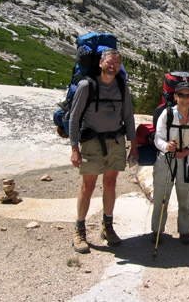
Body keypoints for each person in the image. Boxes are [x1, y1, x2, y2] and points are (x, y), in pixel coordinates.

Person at [69, 48, 139, 254]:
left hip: (116, 141)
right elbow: (74, 118)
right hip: (92, 142)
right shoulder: (86, 86)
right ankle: (79, 230)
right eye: (109, 62)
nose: (113, 66)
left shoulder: (121, 87)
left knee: (111, 183)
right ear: (100, 63)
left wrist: (133, 145)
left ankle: (107, 226)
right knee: (87, 186)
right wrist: (75, 149)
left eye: (117, 64)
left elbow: (128, 117)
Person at [151, 81, 189, 245]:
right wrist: (166, 146)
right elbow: (158, 138)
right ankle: (157, 230)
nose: (185, 99)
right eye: (181, 95)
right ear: (175, 97)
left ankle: (184, 231)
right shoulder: (167, 114)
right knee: (161, 196)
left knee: (185, 197)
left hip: (186, 161)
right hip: (166, 159)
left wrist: (188, 151)